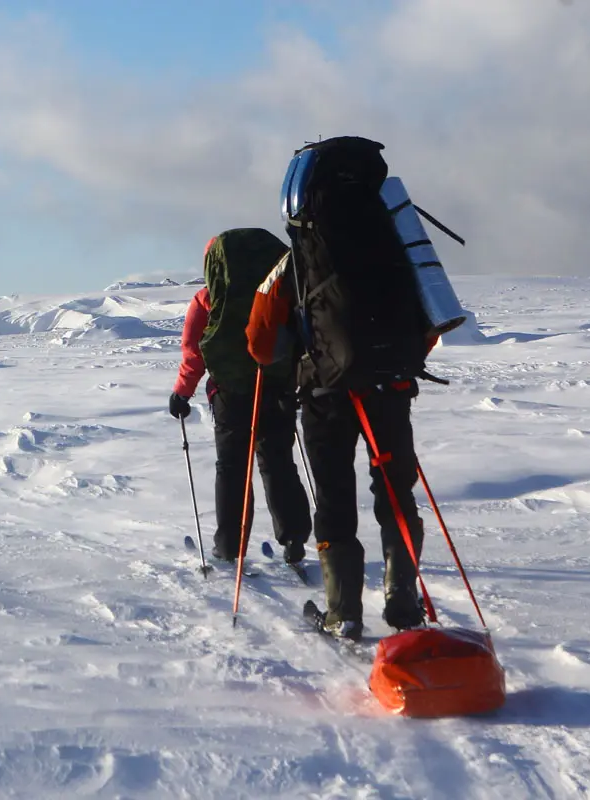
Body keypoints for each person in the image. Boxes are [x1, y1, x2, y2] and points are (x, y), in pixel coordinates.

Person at [245, 138, 438, 640]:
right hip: (391, 386)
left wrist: (315, 355)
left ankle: (343, 612)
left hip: (326, 394)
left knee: (334, 500)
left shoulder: (297, 262)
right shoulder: (399, 247)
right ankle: (403, 599)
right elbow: (431, 321)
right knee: (397, 492)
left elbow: (260, 343)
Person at [169, 228, 312, 566]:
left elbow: (194, 353)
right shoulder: (282, 294)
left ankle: (230, 545)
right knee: (277, 462)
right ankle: (294, 539)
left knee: (232, 467)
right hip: (277, 386)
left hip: (230, 393)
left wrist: (182, 393)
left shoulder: (207, 300)